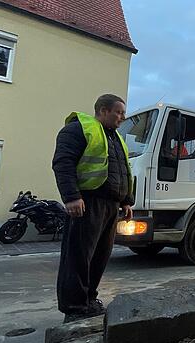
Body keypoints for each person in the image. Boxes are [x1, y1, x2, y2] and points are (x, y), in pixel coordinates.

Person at [52, 94, 134, 323]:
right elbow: (63, 162)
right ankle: (74, 308)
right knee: (78, 256)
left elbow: (122, 171)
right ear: (103, 110)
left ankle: (89, 300)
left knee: (99, 257)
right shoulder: (78, 130)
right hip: (87, 203)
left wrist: (126, 200)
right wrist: (71, 197)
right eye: (119, 112)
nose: (122, 117)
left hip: (111, 206)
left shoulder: (115, 138)